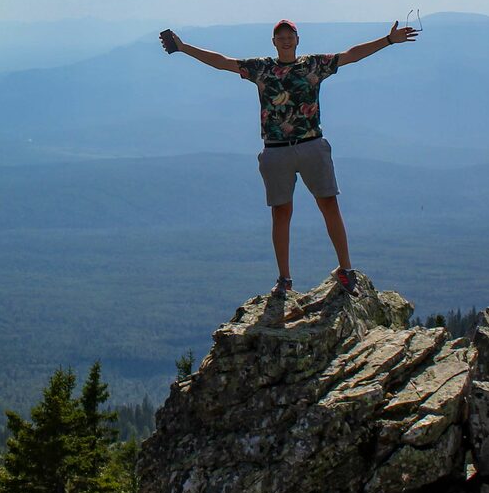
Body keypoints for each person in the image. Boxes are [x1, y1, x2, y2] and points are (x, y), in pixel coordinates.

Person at [158, 18, 416, 298]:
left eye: (289, 35)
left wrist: (388, 40)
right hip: (277, 149)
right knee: (281, 213)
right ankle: (285, 278)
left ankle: (346, 270)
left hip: (310, 145)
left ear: (297, 39)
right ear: (273, 42)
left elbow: (352, 55)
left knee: (329, 205)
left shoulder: (313, 64)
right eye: (280, 36)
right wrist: (184, 48)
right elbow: (223, 62)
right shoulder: (262, 68)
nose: (285, 40)